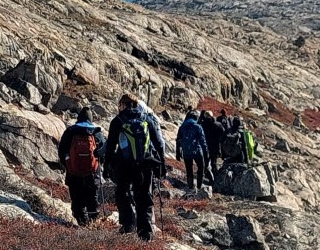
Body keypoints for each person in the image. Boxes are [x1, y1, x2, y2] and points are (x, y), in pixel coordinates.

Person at [105, 93, 166, 241]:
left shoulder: (118, 120)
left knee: (122, 193)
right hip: (145, 165)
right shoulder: (147, 118)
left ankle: (128, 225)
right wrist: (162, 164)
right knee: (144, 198)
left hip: (124, 165)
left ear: (123, 105)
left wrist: (107, 166)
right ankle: (145, 234)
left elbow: (111, 146)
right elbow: (158, 143)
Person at [57, 107, 106, 226]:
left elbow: (61, 151)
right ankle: (93, 221)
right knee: (92, 198)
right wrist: (99, 164)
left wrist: (69, 165)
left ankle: (81, 222)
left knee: (77, 198)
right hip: (92, 173)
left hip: (74, 173)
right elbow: (104, 151)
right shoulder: (96, 132)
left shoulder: (70, 131)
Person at [176, 111, 209, 190]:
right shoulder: (198, 127)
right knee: (201, 168)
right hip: (197, 151)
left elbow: (178, 140)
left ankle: (191, 187)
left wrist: (178, 152)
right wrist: (206, 153)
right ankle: (199, 187)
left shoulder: (182, 127)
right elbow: (203, 141)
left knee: (189, 170)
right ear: (196, 118)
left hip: (186, 151)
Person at [199, 110, 225, 184]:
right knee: (214, 162)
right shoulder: (217, 124)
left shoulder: (202, 124)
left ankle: (208, 176)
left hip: (205, 146)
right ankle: (215, 176)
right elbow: (223, 133)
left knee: (206, 162)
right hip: (215, 146)